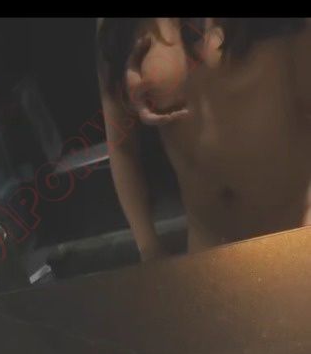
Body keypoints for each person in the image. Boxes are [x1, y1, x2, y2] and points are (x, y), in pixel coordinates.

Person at [97, 18, 311, 259]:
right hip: (208, 243)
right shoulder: (118, 24)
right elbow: (122, 147)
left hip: (296, 227)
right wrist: (149, 248)